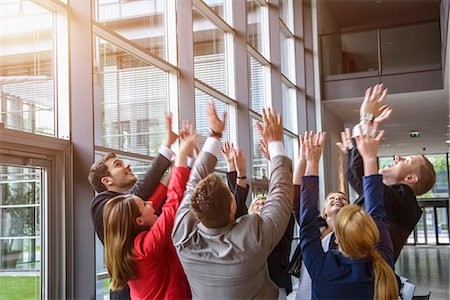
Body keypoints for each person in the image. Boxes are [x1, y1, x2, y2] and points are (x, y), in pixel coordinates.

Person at [172, 104, 293, 299]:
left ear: (195, 211)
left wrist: (215, 134)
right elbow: (281, 195)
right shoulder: (252, 238)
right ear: (233, 206)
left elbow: (192, 182)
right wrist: (275, 142)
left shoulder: (182, 237)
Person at [336, 83, 436, 261]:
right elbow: (360, 180)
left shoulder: (405, 200)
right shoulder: (398, 201)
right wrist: (354, 148)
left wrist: (366, 120)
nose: (398, 157)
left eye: (407, 160)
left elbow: (362, 181)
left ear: (411, 178)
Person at [88, 113, 180, 299]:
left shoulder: (130, 203)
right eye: (118, 165)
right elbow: (139, 196)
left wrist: (178, 168)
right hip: (127, 294)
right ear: (106, 180)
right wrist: (166, 147)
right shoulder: (101, 204)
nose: (127, 165)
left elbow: (151, 200)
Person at [300, 127, 398, 299]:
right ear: (372, 235)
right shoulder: (382, 266)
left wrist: (311, 162)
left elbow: (307, 223)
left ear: (337, 239)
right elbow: (308, 222)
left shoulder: (323, 269)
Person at [103, 133, 196, 300]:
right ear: (138, 220)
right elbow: (171, 204)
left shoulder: (131, 247)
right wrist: (181, 158)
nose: (151, 204)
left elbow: (161, 197)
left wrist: (184, 162)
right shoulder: (146, 248)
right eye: (145, 204)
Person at [221, 142, 294, 298]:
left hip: (277, 283)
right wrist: (231, 166)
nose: (261, 204)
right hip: (250, 287)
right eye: (257, 203)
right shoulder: (245, 229)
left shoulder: (278, 226)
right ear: (250, 212)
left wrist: (275, 162)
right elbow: (237, 204)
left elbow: (283, 199)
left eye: (265, 203)